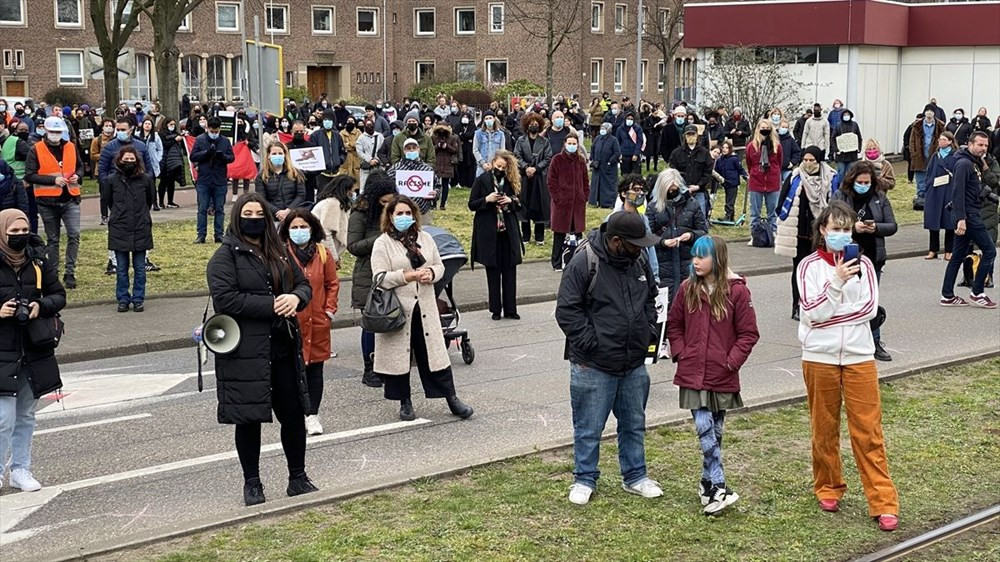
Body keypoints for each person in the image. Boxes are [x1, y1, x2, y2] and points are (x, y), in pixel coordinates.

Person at [207, 192, 316, 506]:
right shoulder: (224, 257)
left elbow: (302, 284)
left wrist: (296, 298)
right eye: (247, 213)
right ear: (237, 217)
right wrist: (270, 305)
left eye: (259, 213)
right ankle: (252, 483)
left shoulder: (279, 251)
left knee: (293, 415)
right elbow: (226, 299)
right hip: (245, 351)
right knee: (249, 418)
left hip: (281, 346)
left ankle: (298, 477)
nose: (253, 218)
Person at [796, 200, 899, 533]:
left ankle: (883, 501)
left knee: (868, 431)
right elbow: (809, 311)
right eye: (834, 228)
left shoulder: (865, 266)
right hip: (819, 357)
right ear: (822, 230)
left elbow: (869, 309)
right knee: (823, 428)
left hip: (858, 356)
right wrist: (837, 283)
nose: (840, 234)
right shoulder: (808, 267)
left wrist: (825, 315)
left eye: (845, 228)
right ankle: (828, 486)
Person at [555, 211, 663, 506]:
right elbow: (567, 310)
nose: (641, 250)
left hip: (633, 362)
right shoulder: (583, 262)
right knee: (589, 427)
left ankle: (635, 476)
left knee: (634, 423)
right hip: (593, 364)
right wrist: (593, 344)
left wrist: (649, 331)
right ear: (616, 242)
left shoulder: (638, 261)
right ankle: (584, 478)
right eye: (635, 244)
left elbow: (651, 298)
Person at [667, 235, 759, 514]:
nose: (695, 261)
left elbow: (748, 334)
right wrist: (681, 353)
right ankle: (720, 486)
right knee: (704, 427)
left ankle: (707, 485)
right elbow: (674, 324)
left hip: (722, 375)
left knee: (715, 432)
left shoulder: (738, 292)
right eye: (693, 255)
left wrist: (730, 363)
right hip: (692, 373)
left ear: (717, 259)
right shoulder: (687, 288)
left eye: (702, 256)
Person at [370, 194, 474, 421]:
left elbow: (439, 265)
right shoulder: (383, 243)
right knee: (400, 358)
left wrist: (432, 273)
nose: (404, 217)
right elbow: (379, 277)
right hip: (399, 308)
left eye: (408, 213)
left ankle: (452, 398)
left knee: (434, 354)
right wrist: (407, 276)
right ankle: (404, 401)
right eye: (399, 213)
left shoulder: (425, 238)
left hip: (425, 307)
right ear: (390, 216)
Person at [0, 208, 65, 493]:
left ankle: (20, 469)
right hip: (3, 349)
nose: (19, 236)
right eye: (13, 232)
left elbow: (58, 295)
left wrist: (41, 305)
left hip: (33, 349)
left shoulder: (38, 260)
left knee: (26, 414)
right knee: (3, 417)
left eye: (23, 231)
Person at [279, 209, 339, 436]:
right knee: (292, 370)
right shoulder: (281, 254)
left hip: (318, 321)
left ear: (312, 228)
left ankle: (312, 414)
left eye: (303, 227)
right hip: (291, 322)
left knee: (315, 370)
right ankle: (295, 414)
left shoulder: (323, 254)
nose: (299, 231)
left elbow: (332, 284)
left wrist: (329, 310)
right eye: (294, 227)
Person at [833, 162, 897, 360]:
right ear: (852, 181)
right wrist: (853, 228)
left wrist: (875, 227)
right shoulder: (840, 196)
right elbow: (831, 223)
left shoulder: (879, 197)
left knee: (870, 300)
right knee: (845, 298)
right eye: (860, 182)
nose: (863, 185)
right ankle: (843, 341)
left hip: (873, 255)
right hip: (846, 255)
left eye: (867, 182)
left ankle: (874, 341)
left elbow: (892, 225)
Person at [776, 146, 839, 321]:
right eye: (806, 160)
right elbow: (781, 203)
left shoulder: (830, 177)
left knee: (820, 269)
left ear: (819, 160)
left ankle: (819, 304)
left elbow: (836, 202)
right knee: (799, 270)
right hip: (800, 233)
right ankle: (797, 305)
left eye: (812, 160)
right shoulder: (795, 177)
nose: (808, 163)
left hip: (821, 232)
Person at [347, 172, 397, 388]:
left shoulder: (398, 211)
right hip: (369, 275)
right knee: (372, 323)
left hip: (394, 272)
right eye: (384, 202)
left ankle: (390, 365)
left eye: (391, 201)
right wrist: (381, 238)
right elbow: (354, 246)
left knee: (394, 320)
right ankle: (370, 367)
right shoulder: (361, 213)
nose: (388, 206)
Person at [24, 117, 84, 289]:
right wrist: (53, 180)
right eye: (53, 132)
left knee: (74, 235)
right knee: (53, 240)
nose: (56, 135)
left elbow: (80, 166)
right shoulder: (36, 150)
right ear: (45, 131)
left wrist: (78, 176)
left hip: (70, 197)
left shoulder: (70, 147)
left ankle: (70, 272)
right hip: (47, 201)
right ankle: (54, 273)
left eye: (58, 132)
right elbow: (30, 175)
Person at [940, 132, 997, 308]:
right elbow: (957, 193)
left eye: (986, 145)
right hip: (969, 216)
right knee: (989, 251)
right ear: (970, 144)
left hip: (970, 213)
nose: (983, 148)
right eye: (980, 145)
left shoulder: (974, 163)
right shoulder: (964, 164)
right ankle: (977, 292)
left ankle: (947, 295)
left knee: (957, 256)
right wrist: (961, 219)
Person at [470, 151, 523, 321]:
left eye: (504, 167)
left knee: (509, 272)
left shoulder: (511, 181)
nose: (500, 169)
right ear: (492, 163)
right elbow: (472, 204)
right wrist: (487, 199)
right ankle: (495, 309)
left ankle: (510, 309)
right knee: (493, 273)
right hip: (489, 233)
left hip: (508, 233)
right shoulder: (482, 180)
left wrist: (511, 201)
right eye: (498, 166)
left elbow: (521, 204)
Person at [103, 146, 155, 313]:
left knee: (140, 268)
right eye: (126, 159)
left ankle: (138, 298)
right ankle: (123, 298)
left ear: (137, 161)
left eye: (132, 160)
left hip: (140, 227)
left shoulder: (146, 179)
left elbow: (150, 201)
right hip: (120, 227)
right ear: (119, 160)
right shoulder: (111, 180)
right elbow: (108, 201)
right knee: (121, 268)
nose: (129, 162)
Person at [647, 168, 708, 300]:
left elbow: (704, 232)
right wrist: (663, 242)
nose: (672, 192)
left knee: (690, 304)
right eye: (669, 190)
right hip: (663, 264)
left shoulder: (692, 204)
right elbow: (648, 236)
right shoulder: (653, 207)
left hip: (687, 263)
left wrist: (691, 236)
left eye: (674, 189)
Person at [189, 116, 235, 244]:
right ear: (207, 128)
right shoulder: (200, 140)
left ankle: (219, 234)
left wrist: (223, 156)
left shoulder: (225, 141)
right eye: (212, 131)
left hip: (220, 179)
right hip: (204, 179)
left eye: (216, 131)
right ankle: (201, 235)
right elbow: (193, 156)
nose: (214, 133)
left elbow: (232, 157)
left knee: (219, 209)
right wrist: (206, 153)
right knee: (202, 208)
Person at [549, 136, 590, 270]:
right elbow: (551, 180)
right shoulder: (557, 159)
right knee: (559, 234)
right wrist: (557, 197)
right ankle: (556, 262)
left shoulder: (580, 161)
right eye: (569, 143)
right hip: (562, 203)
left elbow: (585, 180)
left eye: (574, 143)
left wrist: (585, 196)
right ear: (565, 144)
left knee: (577, 233)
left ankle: (575, 261)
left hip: (578, 203)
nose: (572, 146)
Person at [513, 114, 553, 245]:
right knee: (524, 205)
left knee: (539, 205)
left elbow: (548, 158)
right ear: (526, 125)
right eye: (531, 123)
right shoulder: (520, 141)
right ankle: (525, 236)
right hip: (524, 177)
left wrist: (536, 168)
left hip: (539, 177)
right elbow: (517, 155)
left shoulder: (545, 141)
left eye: (536, 123)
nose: (533, 125)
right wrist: (526, 167)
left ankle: (539, 237)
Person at [922, 132, 958, 260]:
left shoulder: (955, 156)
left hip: (949, 191)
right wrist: (929, 185)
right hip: (935, 191)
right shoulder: (935, 156)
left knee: (949, 223)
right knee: (933, 222)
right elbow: (929, 172)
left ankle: (949, 251)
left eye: (944, 140)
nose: (940, 142)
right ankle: (933, 250)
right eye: (940, 139)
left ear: (950, 141)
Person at [745, 119, 783, 237]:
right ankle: (754, 234)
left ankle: (773, 233)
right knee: (754, 213)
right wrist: (755, 172)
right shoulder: (751, 146)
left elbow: (779, 162)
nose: (764, 130)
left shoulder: (777, 146)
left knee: (773, 212)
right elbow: (749, 162)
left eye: (767, 128)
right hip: (756, 181)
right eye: (762, 128)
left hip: (772, 181)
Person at [668, 124, 714, 220]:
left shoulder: (705, 153)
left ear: (697, 136)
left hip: (699, 191)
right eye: (688, 134)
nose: (690, 137)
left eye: (693, 134)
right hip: (680, 192)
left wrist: (698, 186)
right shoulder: (676, 153)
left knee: (701, 219)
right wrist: (681, 186)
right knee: (678, 218)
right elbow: (672, 172)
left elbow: (708, 173)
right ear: (684, 136)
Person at [255, 142, 305, 223]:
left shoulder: (296, 173)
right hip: (272, 218)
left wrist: (288, 211)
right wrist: (278, 212)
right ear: (268, 156)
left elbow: (301, 195)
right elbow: (261, 199)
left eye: (280, 153)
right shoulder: (262, 176)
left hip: (293, 216)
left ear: (285, 155)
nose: (277, 155)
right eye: (274, 153)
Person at [311, 174, 356, 263]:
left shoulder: (337, 203)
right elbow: (326, 233)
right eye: (352, 190)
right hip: (323, 255)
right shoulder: (333, 204)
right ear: (346, 190)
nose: (354, 193)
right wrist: (333, 258)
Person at [909, 108, 946, 208]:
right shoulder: (917, 126)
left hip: (934, 155)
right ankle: (921, 198)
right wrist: (914, 153)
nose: (929, 113)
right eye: (927, 111)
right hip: (919, 155)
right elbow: (912, 141)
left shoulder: (940, 126)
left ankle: (931, 198)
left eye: (931, 112)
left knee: (933, 177)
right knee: (920, 177)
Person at [309, 111, 345, 203]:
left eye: (329, 120)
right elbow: (312, 153)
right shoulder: (315, 135)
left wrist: (339, 160)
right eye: (325, 119)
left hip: (336, 173)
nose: (327, 121)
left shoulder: (337, 136)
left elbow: (342, 151)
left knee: (337, 199)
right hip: (322, 174)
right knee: (322, 199)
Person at [588, 122, 621, 209]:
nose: (602, 130)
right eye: (601, 128)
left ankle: (609, 203)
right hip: (598, 166)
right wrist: (593, 158)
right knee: (597, 184)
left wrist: (610, 161)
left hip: (608, 167)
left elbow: (617, 152)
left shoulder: (613, 140)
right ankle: (596, 201)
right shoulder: (598, 138)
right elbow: (593, 148)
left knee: (608, 185)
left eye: (604, 129)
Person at [714, 142, 748, 223]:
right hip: (724, 182)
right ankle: (731, 216)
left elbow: (740, 169)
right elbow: (717, 171)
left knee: (730, 200)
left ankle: (728, 215)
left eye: (726, 148)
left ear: (730, 149)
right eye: (723, 147)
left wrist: (745, 176)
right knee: (728, 199)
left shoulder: (734, 159)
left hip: (733, 183)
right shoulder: (719, 160)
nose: (724, 149)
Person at [430, 123, 459, 210]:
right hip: (437, 163)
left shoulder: (452, 138)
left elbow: (455, 150)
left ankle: (442, 204)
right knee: (434, 184)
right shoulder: (433, 138)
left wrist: (447, 146)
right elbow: (431, 149)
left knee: (445, 185)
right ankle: (434, 203)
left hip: (447, 164)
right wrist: (437, 146)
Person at [473, 111, 509, 177]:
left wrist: (495, 163)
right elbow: (475, 149)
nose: (488, 120)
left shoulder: (500, 134)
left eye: (490, 118)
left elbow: (502, 151)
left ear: (494, 119)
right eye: (486, 119)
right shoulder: (478, 134)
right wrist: (483, 163)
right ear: (484, 120)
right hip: (481, 167)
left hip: (496, 166)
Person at [158, 118, 184, 209]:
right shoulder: (161, 134)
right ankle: (161, 201)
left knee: (171, 182)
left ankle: (170, 201)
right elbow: (164, 144)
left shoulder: (176, 134)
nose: (172, 126)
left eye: (173, 124)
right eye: (170, 124)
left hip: (174, 160)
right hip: (165, 159)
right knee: (163, 182)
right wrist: (174, 140)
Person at [830, 109, 862, 179]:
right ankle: (840, 187)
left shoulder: (855, 125)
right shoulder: (838, 126)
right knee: (841, 173)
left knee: (851, 173)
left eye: (848, 115)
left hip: (852, 155)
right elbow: (833, 138)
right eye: (845, 115)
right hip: (841, 156)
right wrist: (836, 149)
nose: (846, 116)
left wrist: (859, 148)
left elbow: (859, 137)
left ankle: (850, 187)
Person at [357, 120, 385, 193]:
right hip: (367, 166)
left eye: (371, 124)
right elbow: (359, 152)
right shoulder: (361, 138)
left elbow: (383, 150)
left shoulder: (380, 136)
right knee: (364, 187)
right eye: (367, 125)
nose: (369, 126)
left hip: (378, 165)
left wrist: (377, 160)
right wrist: (369, 160)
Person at [616, 111, 644, 176]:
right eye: (628, 119)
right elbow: (617, 142)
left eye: (631, 119)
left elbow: (639, 141)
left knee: (636, 175)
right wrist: (619, 153)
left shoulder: (637, 128)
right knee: (625, 176)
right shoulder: (620, 129)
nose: (629, 120)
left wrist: (636, 154)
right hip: (624, 155)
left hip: (634, 155)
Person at [455, 112, 477, 188]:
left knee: (470, 166)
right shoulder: (458, 125)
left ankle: (470, 183)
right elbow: (457, 135)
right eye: (463, 116)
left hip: (469, 149)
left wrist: (463, 135)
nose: (465, 118)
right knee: (461, 166)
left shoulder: (472, 125)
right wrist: (466, 137)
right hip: (461, 149)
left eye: (466, 116)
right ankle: (461, 182)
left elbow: (472, 134)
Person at [778, 119, 803, 185]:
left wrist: (792, 162)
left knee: (790, 184)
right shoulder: (774, 138)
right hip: (775, 169)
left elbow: (797, 152)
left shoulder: (790, 140)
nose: (784, 129)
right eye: (783, 127)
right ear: (779, 127)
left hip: (787, 168)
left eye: (786, 127)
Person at [340, 116, 361, 183]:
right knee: (344, 174)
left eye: (352, 121)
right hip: (345, 157)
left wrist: (348, 143)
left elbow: (359, 144)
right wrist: (353, 144)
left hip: (356, 157)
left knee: (356, 174)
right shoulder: (341, 133)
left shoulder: (358, 132)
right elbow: (342, 144)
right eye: (349, 121)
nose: (350, 122)